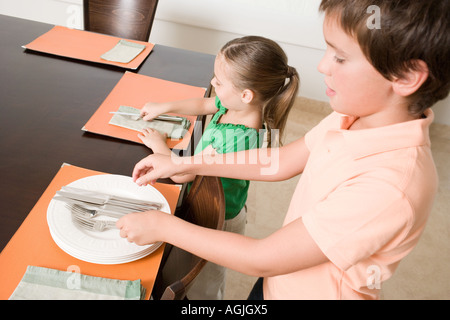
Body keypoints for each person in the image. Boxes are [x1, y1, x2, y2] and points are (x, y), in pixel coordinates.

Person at [118, 0, 450, 299]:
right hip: (278, 282)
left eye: (340, 57)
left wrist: (163, 226)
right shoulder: (352, 116)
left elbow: (261, 257)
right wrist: (182, 164)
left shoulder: (391, 187)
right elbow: (277, 161)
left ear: (406, 76)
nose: (322, 66)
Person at [136, 36, 299, 299]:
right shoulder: (236, 106)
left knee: (203, 284)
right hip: (215, 202)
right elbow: (205, 104)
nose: (212, 83)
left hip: (216, 218)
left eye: (219, 82)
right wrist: (166, 106)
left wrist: (159, 146)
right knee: (195, 270)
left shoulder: (234, 141)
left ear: (246, 94)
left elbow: (182, 173)